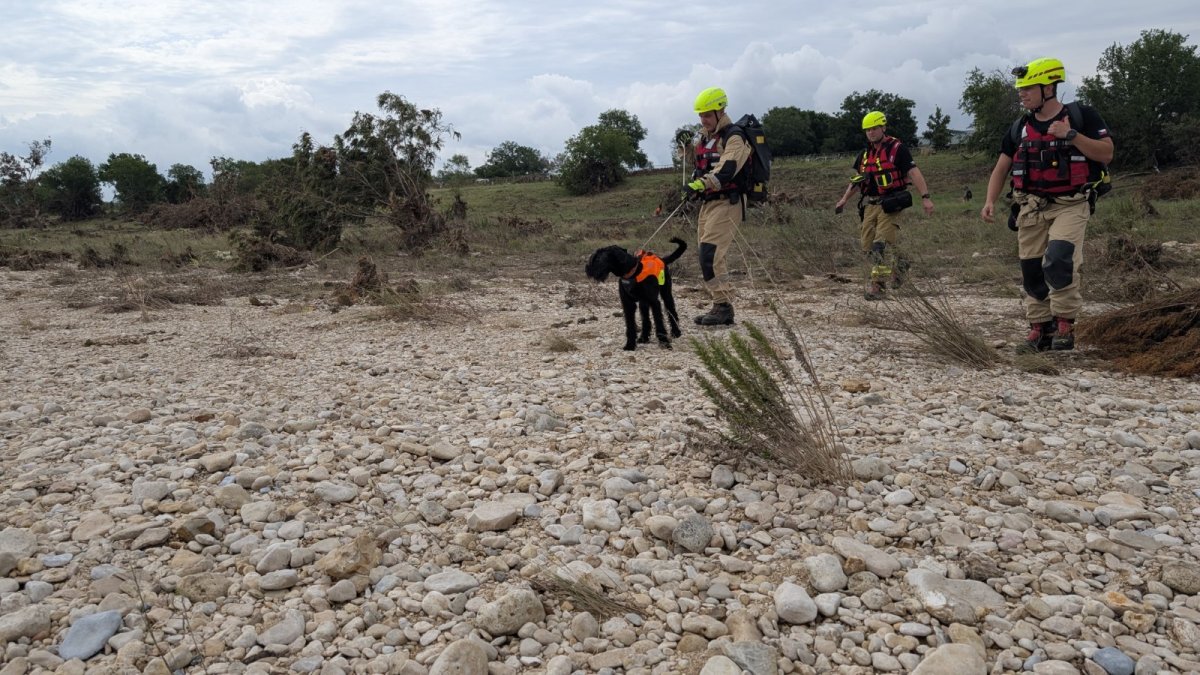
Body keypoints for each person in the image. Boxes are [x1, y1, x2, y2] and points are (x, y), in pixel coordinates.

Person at [981, 57, 1113, 352]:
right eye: (1020, 89)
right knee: (1031, 268)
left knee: (1059, 259)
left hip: (1071, 203)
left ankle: (1065, 322)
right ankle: (1040, 327)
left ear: (1049, 87)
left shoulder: (1082, 116)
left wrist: (1070, 135)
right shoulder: (1020, 128)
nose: (1022, 94)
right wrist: (990, 200)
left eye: (1028, 88)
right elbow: (1001, 168)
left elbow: (1106, 154)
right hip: (1030, 207)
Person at [834, 111, 934, 300]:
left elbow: (914, 173)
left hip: (891, 203)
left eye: (874, 128)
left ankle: (878, 286)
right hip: (871, 205)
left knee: (881, 244)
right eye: (867, 130)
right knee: (867, 247)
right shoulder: (864, 155)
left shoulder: (898, 149)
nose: (870, 133)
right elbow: (856, 181)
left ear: (883, 127)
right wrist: (844, 199)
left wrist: (926, 197)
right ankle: (902, 262)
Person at [684, 87, 752, 325]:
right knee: (706, 255)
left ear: (721, 110)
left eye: (708, 114)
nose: (704, 119)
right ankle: (720, 304)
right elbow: (701, 166)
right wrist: (694, 188)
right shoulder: (704, 138)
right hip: (709, 203)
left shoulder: (735, 136)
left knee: (710, 254)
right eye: (701, 115)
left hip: (728, 201)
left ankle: (723, 306)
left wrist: (701, 184)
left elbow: (727, 168)